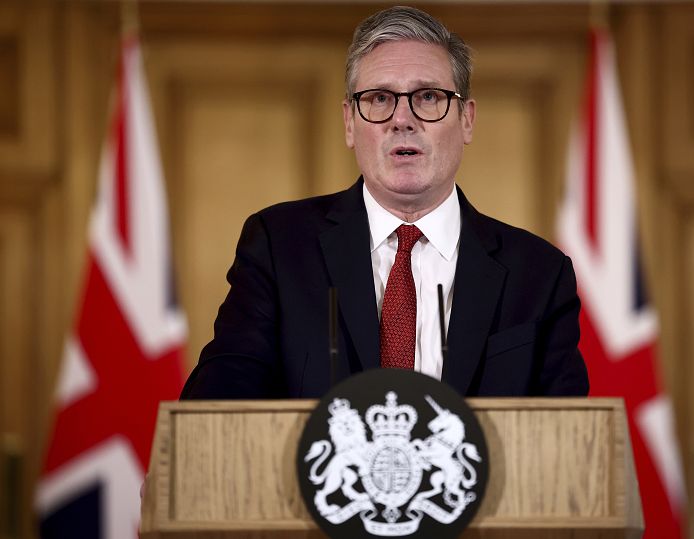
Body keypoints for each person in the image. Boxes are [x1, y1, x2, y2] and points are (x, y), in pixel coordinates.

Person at [180, 6, 588, 399]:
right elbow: (218, 405)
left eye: (428, 97)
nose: (402, 119)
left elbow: (568, 440)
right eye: (379, 98)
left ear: (466, 120)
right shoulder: (278, 248)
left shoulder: (539, 275)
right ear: (349, 123)